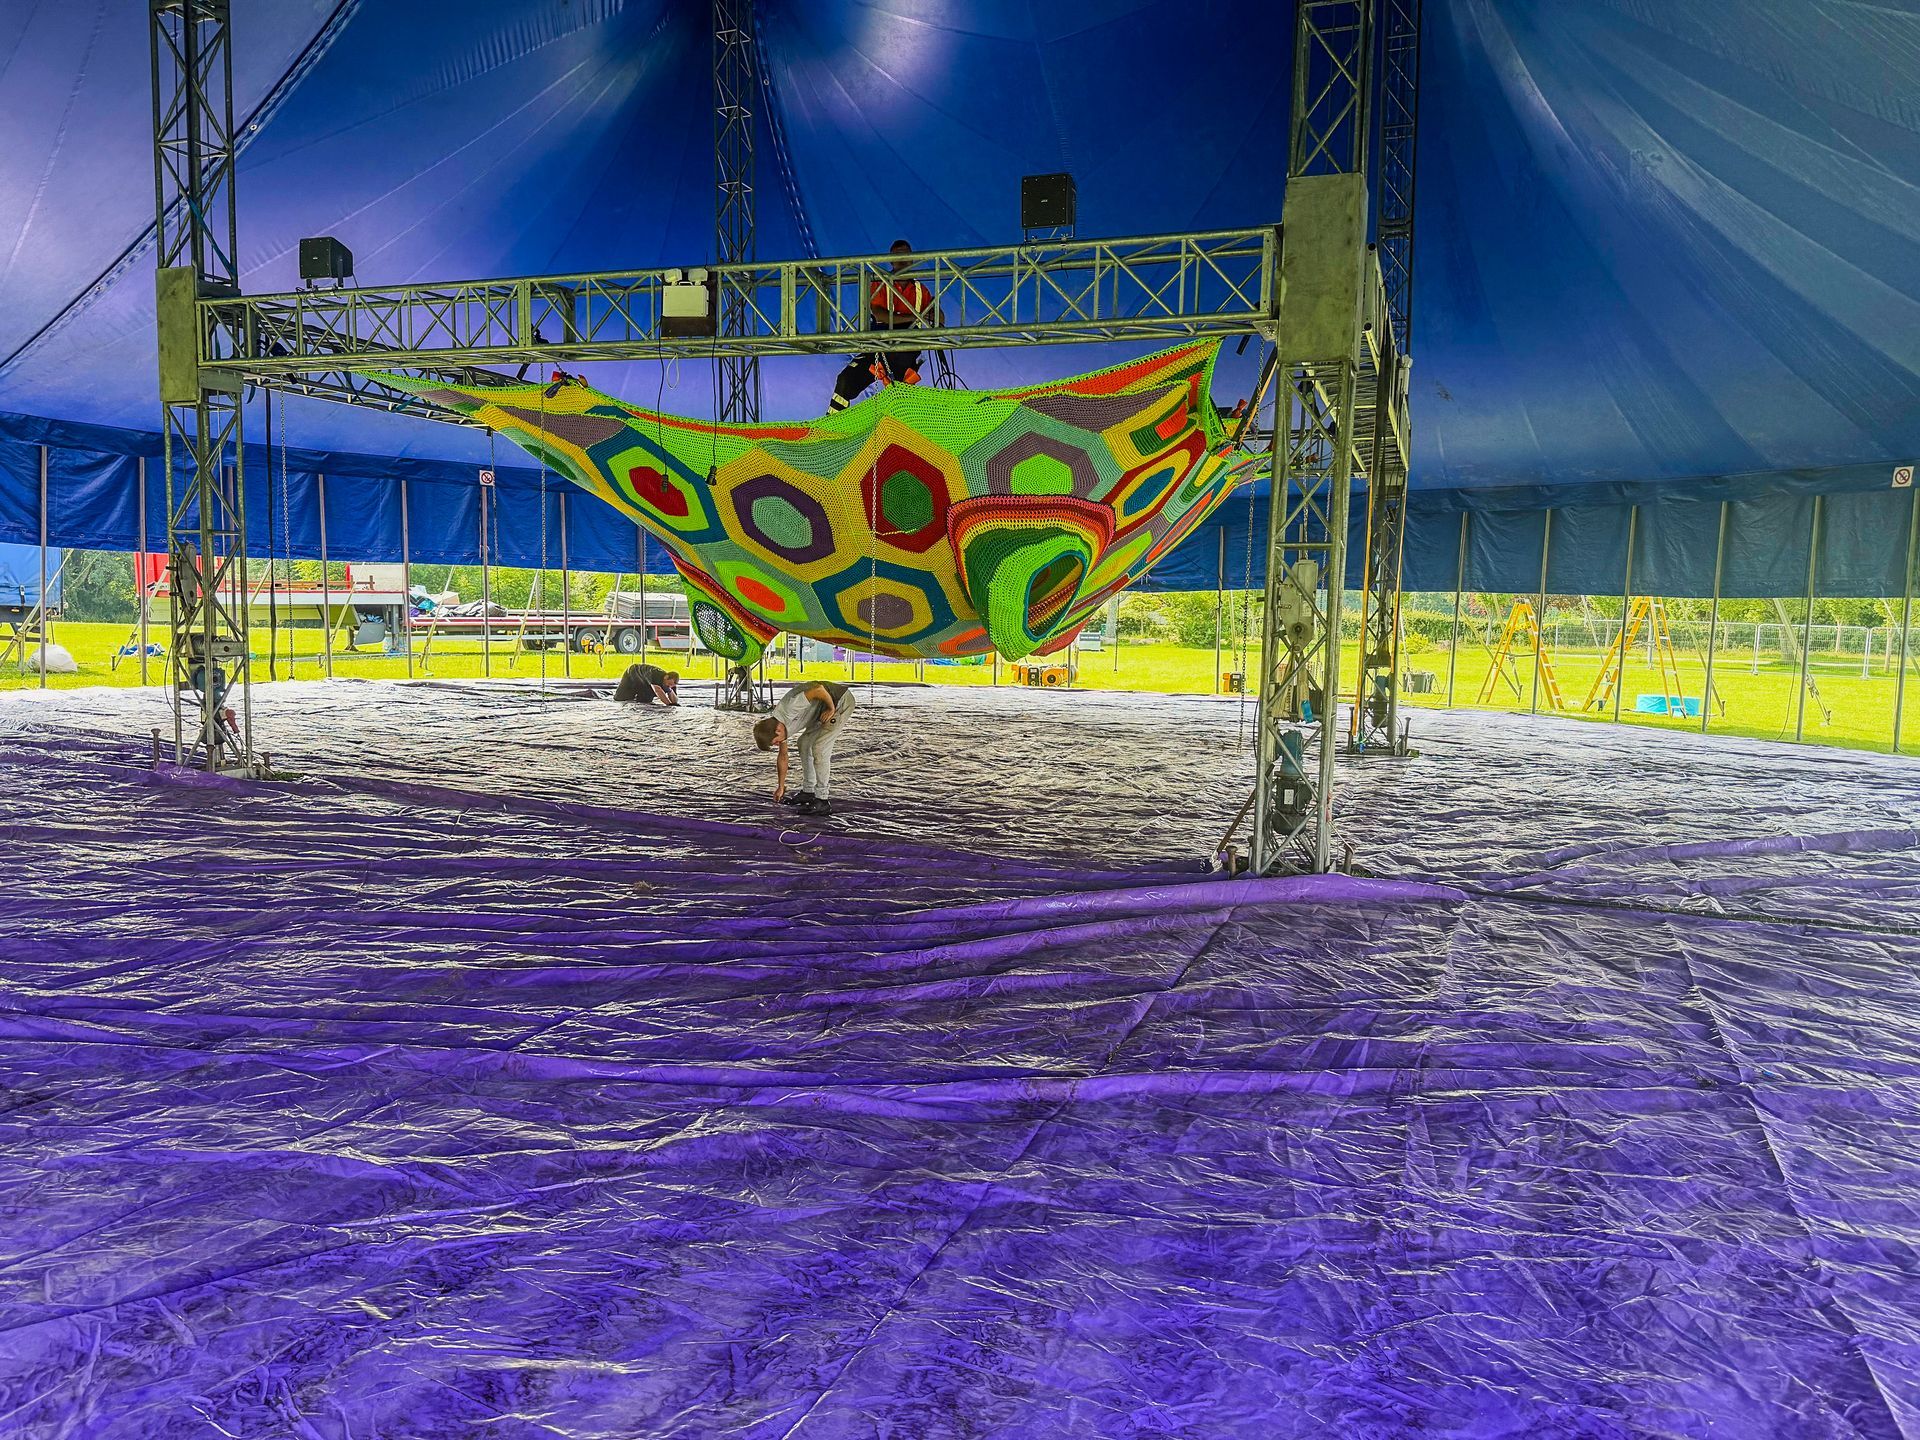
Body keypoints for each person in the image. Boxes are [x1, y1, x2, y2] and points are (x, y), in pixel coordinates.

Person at [828, 240, 940, 412]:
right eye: (897, 255)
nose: (902, 259)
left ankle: (900, 430)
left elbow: (939, 319)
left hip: (904, 352)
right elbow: (880, 315)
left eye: (906, 254)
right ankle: (833, 425)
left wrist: (934, 311)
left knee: (901, 399)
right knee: (845, 381)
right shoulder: (880, 283)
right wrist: (915, 317)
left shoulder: (921, 290)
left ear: (912, 258)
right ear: (890, 260)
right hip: (878, 348)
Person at [754, 680, 855, 816]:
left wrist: (831, 708)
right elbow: (783, 756)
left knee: (819, 748)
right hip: (820, 709)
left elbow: (818, 689)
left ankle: (822, 800)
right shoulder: (778, 726)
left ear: (778, 731)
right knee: (804, 743)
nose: (778, 744)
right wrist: (780, 787)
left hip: (839, 702)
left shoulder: (789, 708)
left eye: (775, 742)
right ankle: (808, 791)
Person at [613, 662, 679, 705]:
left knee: (646, 700)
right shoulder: (656, 675)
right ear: (666, 677)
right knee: (620, 698)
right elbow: (658, 690)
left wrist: (670, 691)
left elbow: (675, 700)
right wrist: (668, 704)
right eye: (669, 684)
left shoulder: (671, 685)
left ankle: (640, 697)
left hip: (645, 681)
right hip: (634, 672)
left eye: (671, 685)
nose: (669, 686)